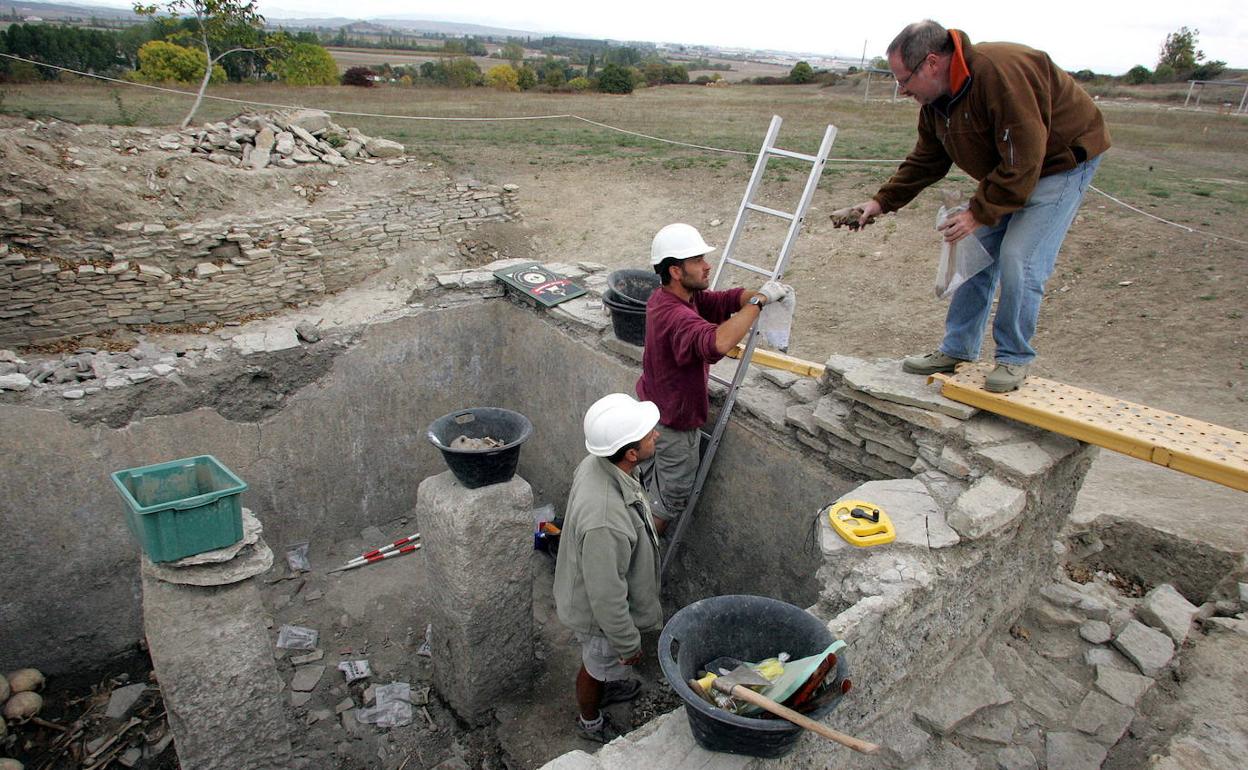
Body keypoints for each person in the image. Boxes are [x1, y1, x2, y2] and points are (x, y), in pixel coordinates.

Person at [832, 20, 1110, 392]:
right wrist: (880, 202)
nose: (901, 90)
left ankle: (1013, 359)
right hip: (1011, 168)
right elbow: (927, 160)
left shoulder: (999, 75)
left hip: (1059, 163)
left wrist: (977, 213)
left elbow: (1026, 158)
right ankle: (958, 350)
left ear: (931, 62)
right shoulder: (936, 101)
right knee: (974, 252)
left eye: (904, 80)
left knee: (1018, 257)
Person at [635, 223, 789, 534]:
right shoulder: (674, 316)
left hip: (653, 413)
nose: (707, 266)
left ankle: (632, 545)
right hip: (673, 429)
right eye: (698, 261)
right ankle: (638, 561)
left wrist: (762, 294)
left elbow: (721, 301)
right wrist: (758, 304)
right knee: (667, 502)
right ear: (676, 271)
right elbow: (716, 344)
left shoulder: (672, 298)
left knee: (649, 492)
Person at [553, 393, 663, 743]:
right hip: (600, 619)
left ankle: (607, 686)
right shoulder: (606, 521)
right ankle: (590, 721)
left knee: (603, 665)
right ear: (631, 454)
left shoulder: (597, 464)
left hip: (597, 605)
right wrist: (628, 643)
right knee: (594, 666)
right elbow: (606, 596)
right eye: (649, 435)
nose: (657, 435)